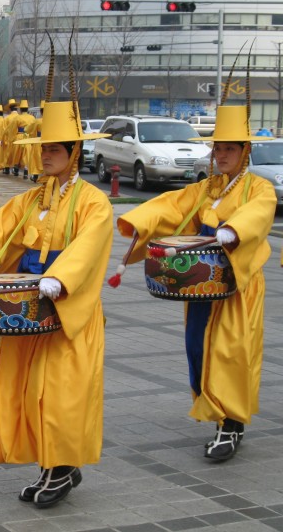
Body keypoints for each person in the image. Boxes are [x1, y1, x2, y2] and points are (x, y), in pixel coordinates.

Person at [0, 99, 113, 508]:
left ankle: (62, 466)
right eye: (43, 149)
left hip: (67, 307)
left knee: (59, 392)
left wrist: (60, 277)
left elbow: (90, 245)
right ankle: (50, 467)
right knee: (29, 390)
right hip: (29, 307)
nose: (46, 156)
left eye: (55, 150)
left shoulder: (93, 201)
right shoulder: (32, 199)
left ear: (74, 153)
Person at [116, 103, 276, 461]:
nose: (221, 155)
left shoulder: (258, 188)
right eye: (217, 148)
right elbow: (171, 207)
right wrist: (138, 222)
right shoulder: (206, 189)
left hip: (238, 282)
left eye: (229, 149)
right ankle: (214, 407)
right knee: (198, 347)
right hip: (201, 282)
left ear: (245, 152)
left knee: (231, 352)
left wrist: (233, 230)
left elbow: (259, 214)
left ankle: (231, 422)